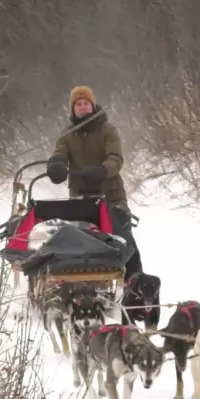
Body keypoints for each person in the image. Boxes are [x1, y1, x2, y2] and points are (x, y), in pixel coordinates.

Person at [46, 85, 142, 281]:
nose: (82, 107)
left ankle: (135, 283)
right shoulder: (67, 135)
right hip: (81, 198)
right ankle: (81, 284)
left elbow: (116, 159)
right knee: (81, 242)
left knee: (124, 241)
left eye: (86, 103)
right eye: (78, 104)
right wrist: (56, 165)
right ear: (73, 109)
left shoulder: (108, 130)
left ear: (93, 105)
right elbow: (59, 155)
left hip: (111, 195)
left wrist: (102, 170)